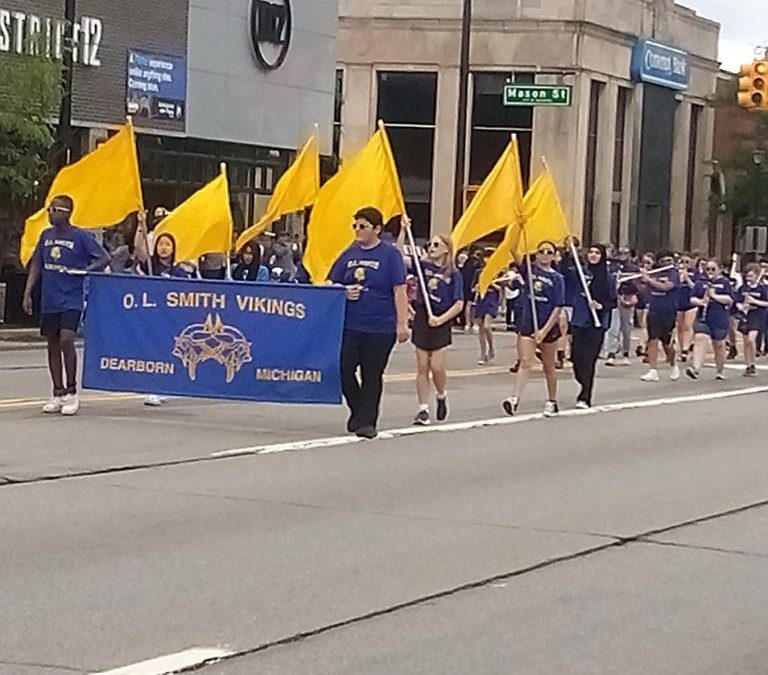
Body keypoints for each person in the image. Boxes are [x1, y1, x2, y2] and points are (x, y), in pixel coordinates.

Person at [22, 195, 110, 415]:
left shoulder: (81, 236)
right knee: (52, 342)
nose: (50, 214)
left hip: (71, 296)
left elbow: (103, 258)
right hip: (50, 297)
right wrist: (28, 292)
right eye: (49, 210)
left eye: (54, 210)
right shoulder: (46, 236)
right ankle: (57, 392)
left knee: (66, 339)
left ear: (67, 212)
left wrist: (87, 270)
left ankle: (72, 391)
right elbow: (37, 264)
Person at [328, 207, 410, 439]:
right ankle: (358, 409)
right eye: (355, 225)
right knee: (343, 367)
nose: (357, 230)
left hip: (380, 325)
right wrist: (343, 290)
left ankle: (367, 421)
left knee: (372, 373)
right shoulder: (350, 253)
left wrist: (402, 323)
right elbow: (330, 281)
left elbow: (399, 289)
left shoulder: (390, 255)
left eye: (362, 226)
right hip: (351, 323)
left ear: (376, 229)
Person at [402, 234, 464, 426]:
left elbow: (459, 303)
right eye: (430, 244)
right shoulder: (423, 267)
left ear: (446, 249)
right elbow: (399, 256)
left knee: (436, 366)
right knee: (422, 366)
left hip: (440, 318)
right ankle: (423, 409)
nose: (432, 248)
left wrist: (441, 319)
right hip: (423, 317)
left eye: (436, 245)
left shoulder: (453, 273)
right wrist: (403, 231)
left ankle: (441, 394)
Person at [502, 241, 565, 417]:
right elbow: (513, 248)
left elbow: (557, 307)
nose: (545, 254)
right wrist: (518, 227)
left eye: (549, 252)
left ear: (554, 256)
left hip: (547, 326)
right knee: (525, 362)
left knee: (548, 366)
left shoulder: (557, 279)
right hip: (528, 322)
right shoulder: (529, 270)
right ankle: (514, 399)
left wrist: (544, 331)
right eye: (541, 251)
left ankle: (552, 400)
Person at [134, 223, 195, 406]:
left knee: (170, 352)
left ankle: (166, 387)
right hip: (153, 316)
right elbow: (139, 248)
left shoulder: (179, 272)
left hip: (172, 319)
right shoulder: (151, 266)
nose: (163, 248)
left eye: (167, 244)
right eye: (160, 244)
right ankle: (154, 387)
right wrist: (140, 227)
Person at [570, 244, 616, 409]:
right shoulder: (582, 272)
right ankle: (582, 382)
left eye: (597, 253)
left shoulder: (607, 277)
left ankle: (585, 395)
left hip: (596, 323)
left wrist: (600, 305)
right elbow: (568, 271)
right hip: (579, 320)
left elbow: (612, 301)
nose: (593, 255)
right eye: (591, 252)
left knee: (589, 360)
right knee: (576, 359)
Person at [685, 258, 733, 381]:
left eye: (713, 269)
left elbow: (729, 299)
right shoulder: (701, 282)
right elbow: (692, 298)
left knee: (718, 344)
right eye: (708, 269)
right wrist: (701, 302)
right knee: (700, 338)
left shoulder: (725, 282)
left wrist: (714, 296)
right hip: (703, 317)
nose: (710, 271)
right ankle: (695, 368)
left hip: (719, 317)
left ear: (720, 270)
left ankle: (720, 369)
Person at [640, 250, 680, 382]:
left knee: (667, 343)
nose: (667, 264)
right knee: (652, 340)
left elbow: (666, 287)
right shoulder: (655, 273)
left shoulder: (674, 274)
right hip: (654, 310)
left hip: (668, 312)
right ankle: (653, 370)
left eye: (669, 261)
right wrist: (641, 279)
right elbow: (644, 289)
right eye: (664, 261)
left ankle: (674, 365)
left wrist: (649, 280)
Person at [605, 246, 638, 366]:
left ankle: (625, 353)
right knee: (613, 327)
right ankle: (611, 353)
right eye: (621, 253)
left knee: (626, 327)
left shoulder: (633, 268)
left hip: (627, 299)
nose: (623, 255)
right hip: (614, 299)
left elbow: (638, 286)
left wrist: (632, 296)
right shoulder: (612, 267)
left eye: (626, 253)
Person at [735, 263, 768, 377]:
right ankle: (748, 365)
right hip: (746, 315)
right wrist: (741, 306)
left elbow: (766, 303)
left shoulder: (762, 289)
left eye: (751, 276)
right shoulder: (743, 288)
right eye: (747, 276)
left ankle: (753, 362)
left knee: (751, 339)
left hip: (757, 315)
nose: (749, 279)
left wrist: (754, 301)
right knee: (745, 342)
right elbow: (736, 301)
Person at [472, 254, 500, 365]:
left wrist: (491, 282)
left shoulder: (498, 272)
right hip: (481, 301)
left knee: (487, 326)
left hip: (492, 301)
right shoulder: (479, 272)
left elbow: (501, 288)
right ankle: (483, 353)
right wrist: (477, 287)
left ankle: (492, 348)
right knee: (481, 328)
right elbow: (473, 288)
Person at [676, 252, 699, 363]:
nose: (684, 264)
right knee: (679, 327)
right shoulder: (676, 273)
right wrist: (680, 277)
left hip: (691, 303)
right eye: (682, 262)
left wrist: (687, 278)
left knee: (687, 326)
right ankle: (681, 349)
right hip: (679, 302)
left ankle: (686, 348)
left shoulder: (695, 273)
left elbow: (695, 287)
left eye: (687, 262)